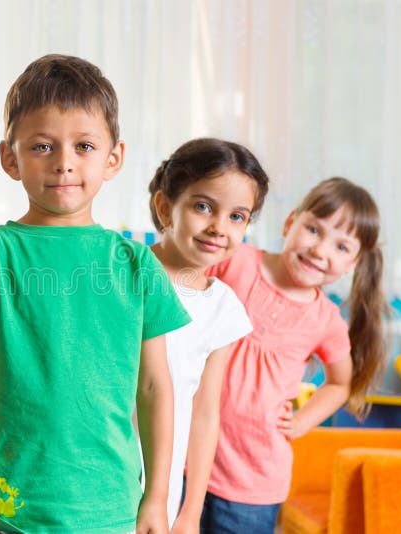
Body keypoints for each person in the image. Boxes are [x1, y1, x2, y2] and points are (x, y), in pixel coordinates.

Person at [0, 54, 191, 534]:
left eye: (84, 146)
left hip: (111, 506)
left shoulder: (137, 264)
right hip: (8, 505)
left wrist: (158, 497)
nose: (64, 163)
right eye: (42, 146)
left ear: (114, 158)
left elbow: (154, 386)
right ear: (10, 158)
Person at [201, 177, 388, 533]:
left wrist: (302, 422)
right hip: (184, 457)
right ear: (290, 223)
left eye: (342, 247)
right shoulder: (236, 262)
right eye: (314, 230)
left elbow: (339, 382)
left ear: (353, 264)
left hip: (254, 481)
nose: (320, 250)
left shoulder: (325, 321)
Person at [147, 138, 270, 531]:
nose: (219, 227)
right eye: (203, 206)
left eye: (238, 216)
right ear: (165, 207)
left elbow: (204, 414)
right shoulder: (120, 273)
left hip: (162, 491)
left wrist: (190, 510)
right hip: (93, 475)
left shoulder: (223, 308)